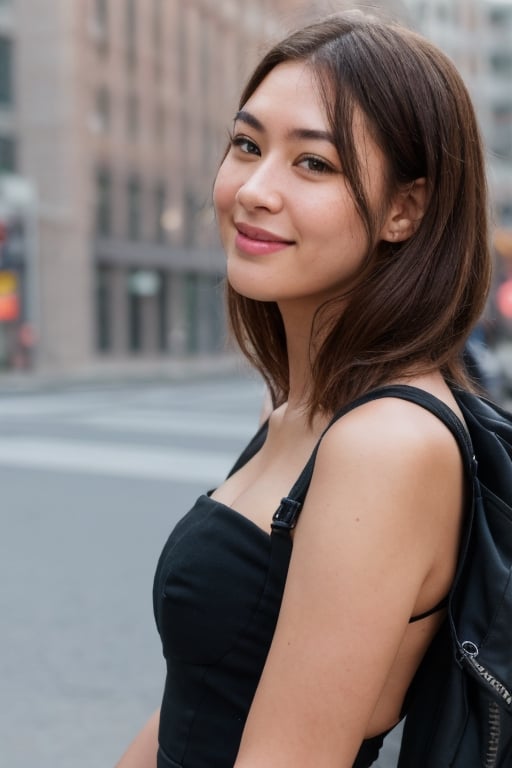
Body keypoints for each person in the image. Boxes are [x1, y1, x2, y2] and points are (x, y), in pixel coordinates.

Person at [116, 10, 491, 768]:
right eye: (247, 145)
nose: (253, 189)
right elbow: (205, 694)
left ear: (404, 210)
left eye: (313, 164)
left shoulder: (385, 442)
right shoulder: (296, 406)